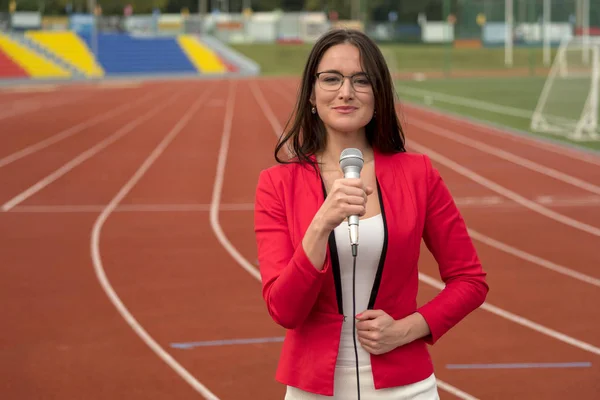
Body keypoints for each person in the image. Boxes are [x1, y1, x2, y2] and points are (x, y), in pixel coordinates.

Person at [253, 28, 489, 399]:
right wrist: (320, 225)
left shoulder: (418, 174)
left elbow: (470, 280)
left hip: (406, 386)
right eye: (331, 79)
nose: (346, 92)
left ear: (378, 96)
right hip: (313, 388)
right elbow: (284, 310)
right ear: (311, 95)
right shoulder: (277, 185)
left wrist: (408, 328)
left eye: (361, 80)